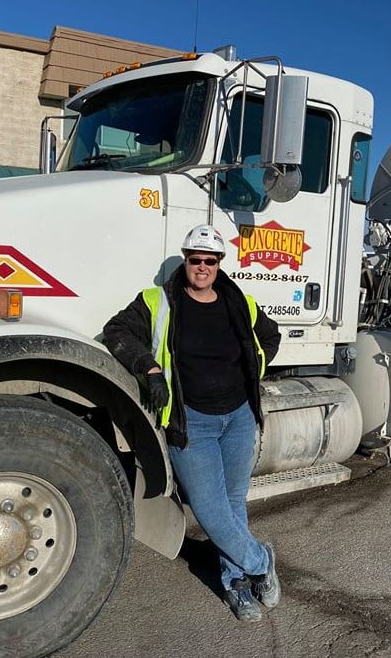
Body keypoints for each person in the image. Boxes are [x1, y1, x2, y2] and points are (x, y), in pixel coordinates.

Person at [103, 224, 282, 622]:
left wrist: (255, 371)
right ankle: (259, 561)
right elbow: (117, 332)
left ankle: (235, 582)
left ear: (220, 264)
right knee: (207, 508)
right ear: (185, 260)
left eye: (210, 260)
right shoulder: (158, 301)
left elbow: (270, 337)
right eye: (194, 259)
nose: (201, 267)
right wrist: (148, 368)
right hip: (192, 423)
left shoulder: (240, 303)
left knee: (234, 502)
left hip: (238, 418)